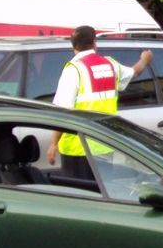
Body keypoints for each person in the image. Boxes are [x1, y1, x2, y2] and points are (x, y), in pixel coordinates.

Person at [46, 26, 153, 177]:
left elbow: (63, 109)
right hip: (104, 143)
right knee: (101, 196)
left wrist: (53, 144)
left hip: (77, 149)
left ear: (73, 45)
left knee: (79, 194)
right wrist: (144, 60)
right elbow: (134, 72)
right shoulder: (109, 64)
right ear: (94, 43)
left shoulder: (74, 70)